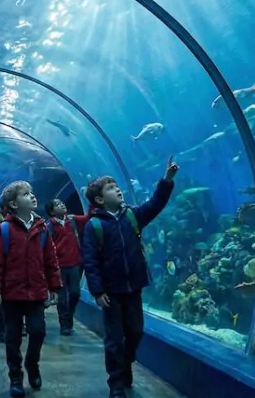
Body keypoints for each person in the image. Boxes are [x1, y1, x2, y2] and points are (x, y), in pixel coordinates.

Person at [82, 156, 179, 398]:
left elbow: (155, 205)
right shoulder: (94, 226)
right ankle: (116, 383)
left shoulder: (133, 216)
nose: (118, 190)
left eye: (117, 186)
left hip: (133, 287)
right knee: (114, 338)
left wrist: (166, 181)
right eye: (111, 188)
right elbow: (90, 261)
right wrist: (97, 290)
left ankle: (126, 364)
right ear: (100, 199)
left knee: (135, 332)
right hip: (111, 292)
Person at [0, 181, 61, 397]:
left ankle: (32, 363)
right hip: (11, 295)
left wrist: (54, 285)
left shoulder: (43, 228)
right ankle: (16, 377)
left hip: (36, 293)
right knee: (13, 338)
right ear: (13, 204)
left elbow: (51, 260)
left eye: (32, 192)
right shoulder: (4, 229)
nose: (32, 196)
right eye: (26, 194)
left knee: (38, 332)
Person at [45, 198, 86, 336]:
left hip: (75, 263)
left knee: (75, 293)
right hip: (59, 266)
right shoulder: (49, 226)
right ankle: (64, 324)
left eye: (61, 202)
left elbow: (88, 218)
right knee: (61, 298)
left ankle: (69, 317)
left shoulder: (72, 220)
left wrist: (91, 201)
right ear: (51, 211)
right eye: (57, 204)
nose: (62, 204)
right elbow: (47, 247)